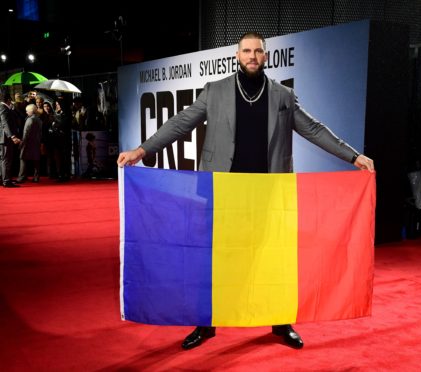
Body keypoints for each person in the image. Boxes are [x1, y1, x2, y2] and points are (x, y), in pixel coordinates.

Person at [117, 31, 375, 350]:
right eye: (247, 51)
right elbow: (181, 123)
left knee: (273, 260)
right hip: (222, 191)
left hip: (269, 193)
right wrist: (142, 150)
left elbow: (314, 129)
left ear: (265, 57)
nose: (252, 56)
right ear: (237, 56)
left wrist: (354, 155)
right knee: (214, 260)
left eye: (258, 51)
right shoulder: (214, 91)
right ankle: (205, 323)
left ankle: (281, 323)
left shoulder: (283, 95)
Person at [1, 88, 22, 187]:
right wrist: (12, 136)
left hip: (5, 137)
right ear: (8, 100)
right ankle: (6, 181)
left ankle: (4, 179)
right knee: (6, 159)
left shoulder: (6, 108)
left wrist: (12, 108)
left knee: (4, 159)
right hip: (5, 138)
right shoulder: (3, 107)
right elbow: (5, 123)